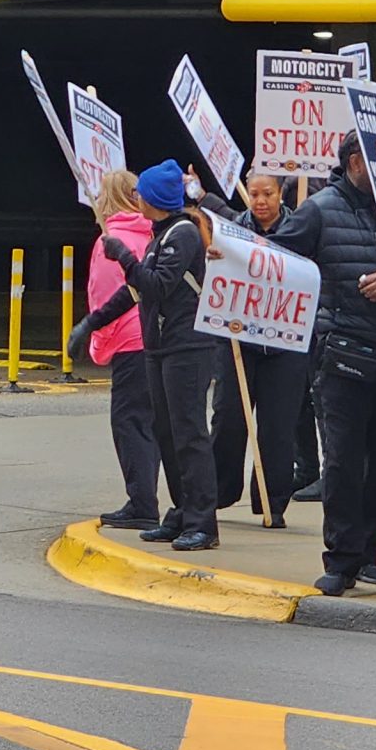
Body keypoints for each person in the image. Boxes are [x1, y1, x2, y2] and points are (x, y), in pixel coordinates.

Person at [270, 132, 376, 596]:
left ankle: (368, 554)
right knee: (344, 459)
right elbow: (276, 257)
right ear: (356, 162)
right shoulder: (320, 209)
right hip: (343, 352)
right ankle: (340, 558)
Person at [90, 159, 220, 553]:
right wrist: (94, 321)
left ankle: (203, 521)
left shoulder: (182, 235)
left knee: (189, 434)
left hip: (186, 347)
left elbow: (158, 286)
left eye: (141, 193)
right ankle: (181, 511)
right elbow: (137, 292)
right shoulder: (160, 234)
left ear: (157, 198)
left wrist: (123, 258)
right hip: (160, 346)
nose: (136, 198)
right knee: (167, 434)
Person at [204, 172, 311, 524]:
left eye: (268, 193)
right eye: (254, 194)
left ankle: (272, 501)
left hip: (286, 344)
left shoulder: (302, 231)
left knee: (278, 425)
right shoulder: (234, 230)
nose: (261, 201)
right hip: (238, 339)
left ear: (282, 194)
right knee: (228, 417)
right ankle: (219, 491)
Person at [65, 169, 158, 530]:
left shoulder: (111, 240)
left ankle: (141, 503)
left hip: (129, 341)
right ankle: (146, 497)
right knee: (149, 422)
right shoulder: (150, 233)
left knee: (128, 421)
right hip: (154, 337)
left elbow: (105, 298)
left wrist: (95, 340)